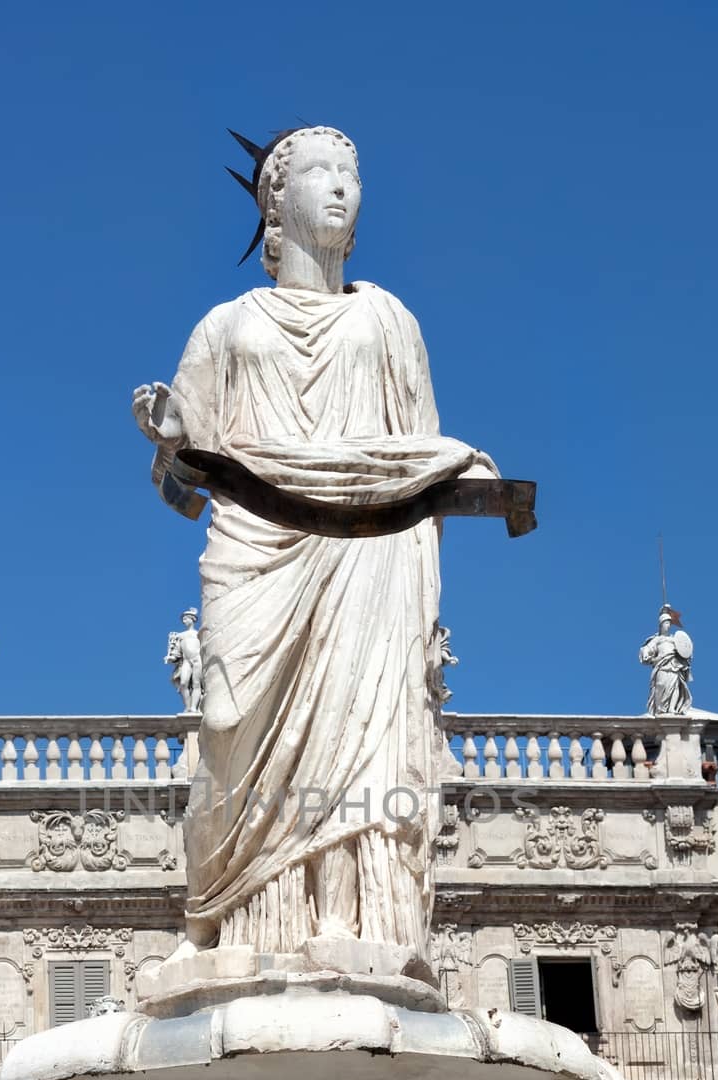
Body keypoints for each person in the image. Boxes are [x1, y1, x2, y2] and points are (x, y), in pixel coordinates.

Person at [133, 127, 497, 965]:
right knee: (230, 725)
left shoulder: (387, 319)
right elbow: (182, 478)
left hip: (368, 549)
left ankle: (350, 925)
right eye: (322, 173)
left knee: (361, 729)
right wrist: (164, 433)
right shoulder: (227, 327)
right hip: (259, 550)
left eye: (352, 174)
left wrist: (456, 464)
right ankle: (231, 919)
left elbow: (418, 442)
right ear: (274, 200)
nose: (343, 189)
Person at [639, 604, 693, 715]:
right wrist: (650, 657)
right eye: (665, 623)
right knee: (661, 686)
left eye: (669, 623)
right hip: (662, 666)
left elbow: (685, 650)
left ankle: (672, 708)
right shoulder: (657, 640)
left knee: (674, 687)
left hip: (675, 665)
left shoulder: (674, 639)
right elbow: (646, 650)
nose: (667, 626)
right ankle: (661, 709)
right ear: (661, 625)